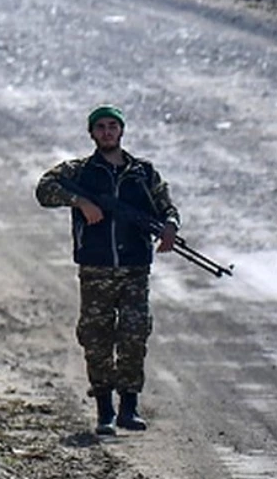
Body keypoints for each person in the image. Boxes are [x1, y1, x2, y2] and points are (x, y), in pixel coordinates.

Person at [34, 105, 180, 434]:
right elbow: (44, 190)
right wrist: (81, 203)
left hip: (134, 268)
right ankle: (105, 412)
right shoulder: (79, 172)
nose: (107, 132)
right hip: (96, 266)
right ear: (92, 133)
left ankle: (129, 407)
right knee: (97, 338)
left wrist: (170, 225)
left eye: (113, 126)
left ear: (122, 131)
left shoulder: (143, 172)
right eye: (100, 127)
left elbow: (167, 206)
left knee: (133, 336)